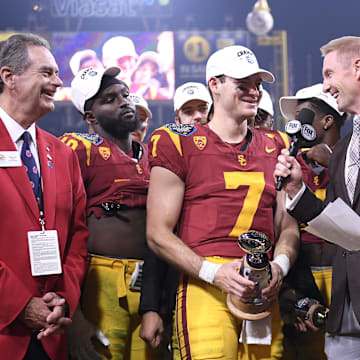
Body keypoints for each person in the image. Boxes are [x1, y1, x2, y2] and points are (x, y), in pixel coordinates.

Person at [146, 45, 299, 359]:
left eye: (257, 85)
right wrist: (213, 273)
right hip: (206, 284)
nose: (253, 92)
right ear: (214, 84)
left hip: (261, 283)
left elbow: (288, 225)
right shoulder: (178, 140)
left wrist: (279, 267)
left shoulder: (277, 144)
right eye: (242, 85)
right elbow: (157, 234)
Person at [0, 33, 88, 360]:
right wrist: (19, 305)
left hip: (51, 333)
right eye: (47, 73)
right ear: (9, 77)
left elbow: (78, 236)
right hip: (5, 330)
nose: (58, 82)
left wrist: (64, 297)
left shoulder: (63, 154)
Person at [61, 66, 158, 360]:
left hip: (151, 282)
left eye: (125, 95)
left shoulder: (153, 153)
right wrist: (73, 311)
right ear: (90, 117)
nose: (124, 102)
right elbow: (61, 228)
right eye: (109, 99)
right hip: (100, 280)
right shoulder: (78, 149)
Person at [274, 36, 360, 359]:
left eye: (328, 74)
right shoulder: (343, 151)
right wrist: (297, 191)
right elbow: (345, 229)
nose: (325, 86)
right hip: (345, 311)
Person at [277, 83, 347, 360]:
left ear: (327, 120)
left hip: (345, 274)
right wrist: (288, 288)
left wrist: (334, 163)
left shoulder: (352, 159)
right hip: (303, 277)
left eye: (302, 116)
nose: (295, 123)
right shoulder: (289, 165)